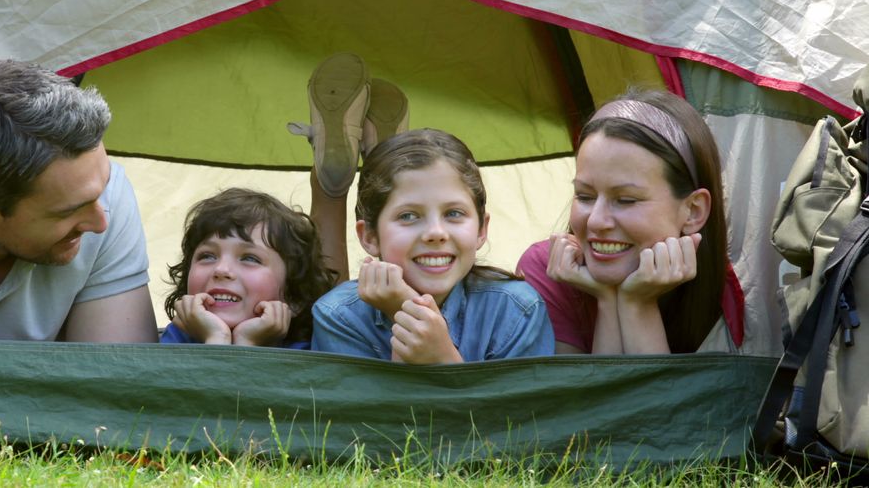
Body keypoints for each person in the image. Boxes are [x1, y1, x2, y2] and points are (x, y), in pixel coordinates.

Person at [0, 60, 158, 342]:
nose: (101, 222)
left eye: (101, 190)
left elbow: (115, 379)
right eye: (67, 211)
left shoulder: (108, 194)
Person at [516, 89, 744, 355]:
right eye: (585, 195)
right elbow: (596, 398)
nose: (597, 221)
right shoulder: (547, 269)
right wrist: (607, 300)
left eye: (625, 199)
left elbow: (655, 398)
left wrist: (637, 304)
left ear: (693, 211)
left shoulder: (737, 289)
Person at [309, 128, 555, 363]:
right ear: (370, 237)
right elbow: (373, 408)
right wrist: (406, 317)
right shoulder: (338, 315)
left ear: (481, 230)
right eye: (408, 216)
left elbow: (519, 408)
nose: (436, 233)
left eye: (454, 213)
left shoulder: (517, 310)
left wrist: (443, 358)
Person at [159, 188, 337, 348]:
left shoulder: (310, 355)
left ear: (294, 297)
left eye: (250, 258)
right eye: (207, 256)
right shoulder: (177, 339)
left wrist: (246, 343)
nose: (221, 270)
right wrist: (216, 337)